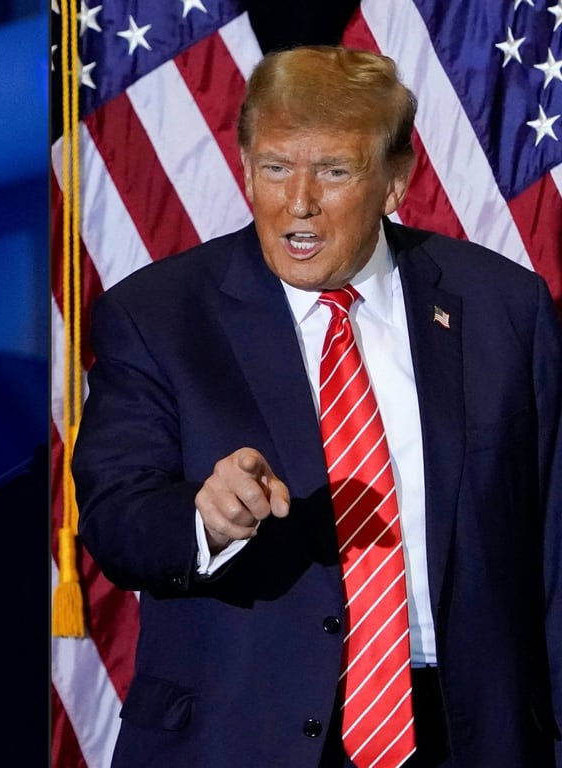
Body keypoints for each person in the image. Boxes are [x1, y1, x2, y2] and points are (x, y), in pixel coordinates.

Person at [73, 45, 562, 767]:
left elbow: (552, 546)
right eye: (274, 167)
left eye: (334, 171)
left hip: (465, 733)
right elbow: (115, 517)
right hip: (242, 733)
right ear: (244, 168)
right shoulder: (159, 316)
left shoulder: (504, 310)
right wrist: (204, 519)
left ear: (396, 181)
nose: (297, 200)